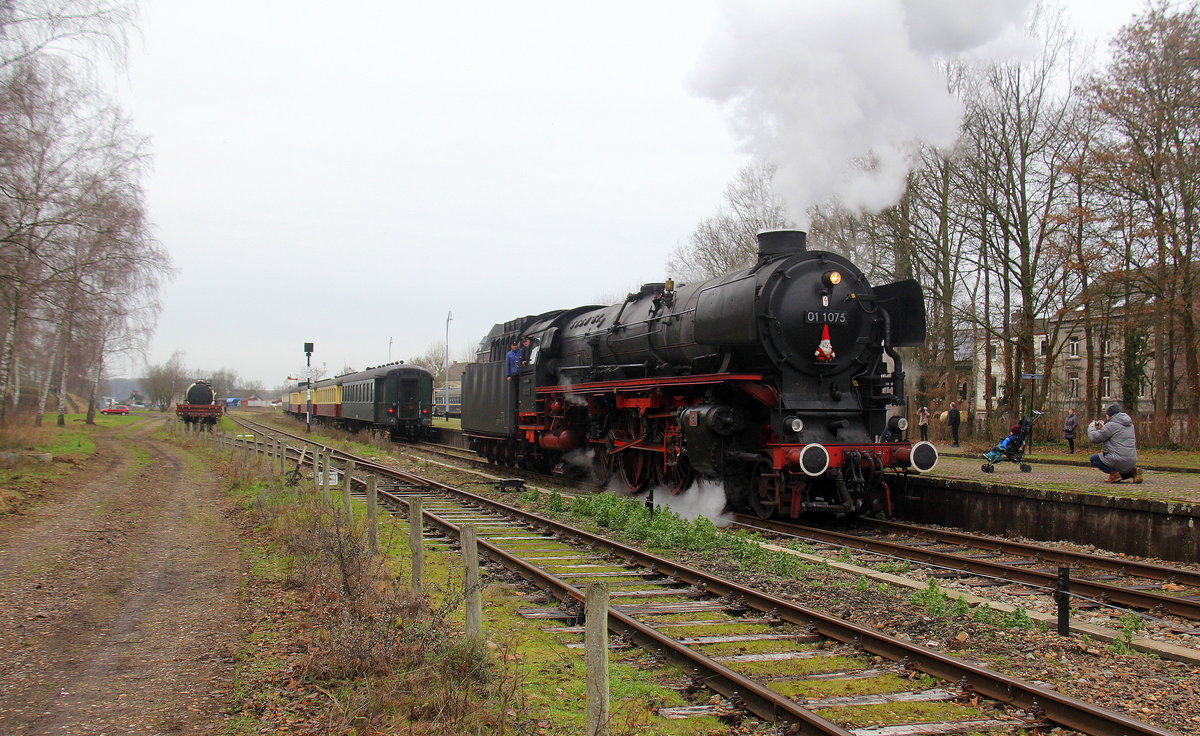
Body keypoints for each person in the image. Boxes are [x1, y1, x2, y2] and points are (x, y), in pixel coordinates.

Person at [1087, 403, 1142, 483]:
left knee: (1094, 459)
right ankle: (1132, 472)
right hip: (1132, 460)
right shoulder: (1130, 424)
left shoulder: (1111, 425)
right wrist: (1104, 427)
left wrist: (1091, 427)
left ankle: (1114, 475)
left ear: (1110, 416)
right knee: (1122, 464)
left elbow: (1095, 438)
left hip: (1118, 460)